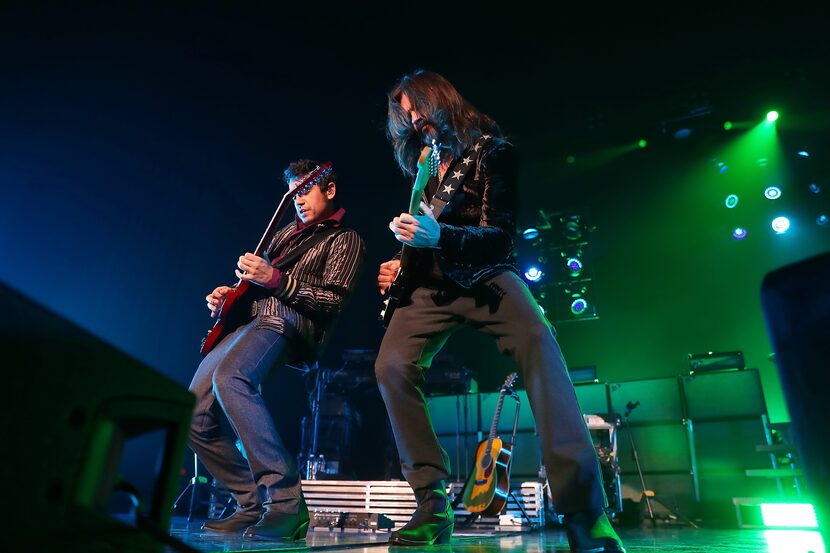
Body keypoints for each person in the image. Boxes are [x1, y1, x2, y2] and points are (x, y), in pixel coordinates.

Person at [375, 70, 625, 552]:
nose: (413, 120)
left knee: (539, 343)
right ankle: (431, 503)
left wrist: (440, 237)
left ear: (440, 99)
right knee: (390, 367)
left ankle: (584, 511)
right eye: (404, 115)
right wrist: (400, 263)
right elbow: (420, 236)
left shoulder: (492, 150)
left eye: (418, 107)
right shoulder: (425, 167)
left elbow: (499, 236)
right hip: (430, 286)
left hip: (486, 275)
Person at [188, 159, 365, 539]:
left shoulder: (345, 239)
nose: (298, 200)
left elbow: (331, 301)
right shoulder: (284, 234)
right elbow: (257, 288)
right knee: (192, 412)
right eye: (293, 193)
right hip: (252, 322)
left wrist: (275, 279)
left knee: (231, 377)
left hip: (287, 323)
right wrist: (229, 299)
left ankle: (286, 504)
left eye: (306, 190)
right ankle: (251, 504)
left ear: (329, 190)